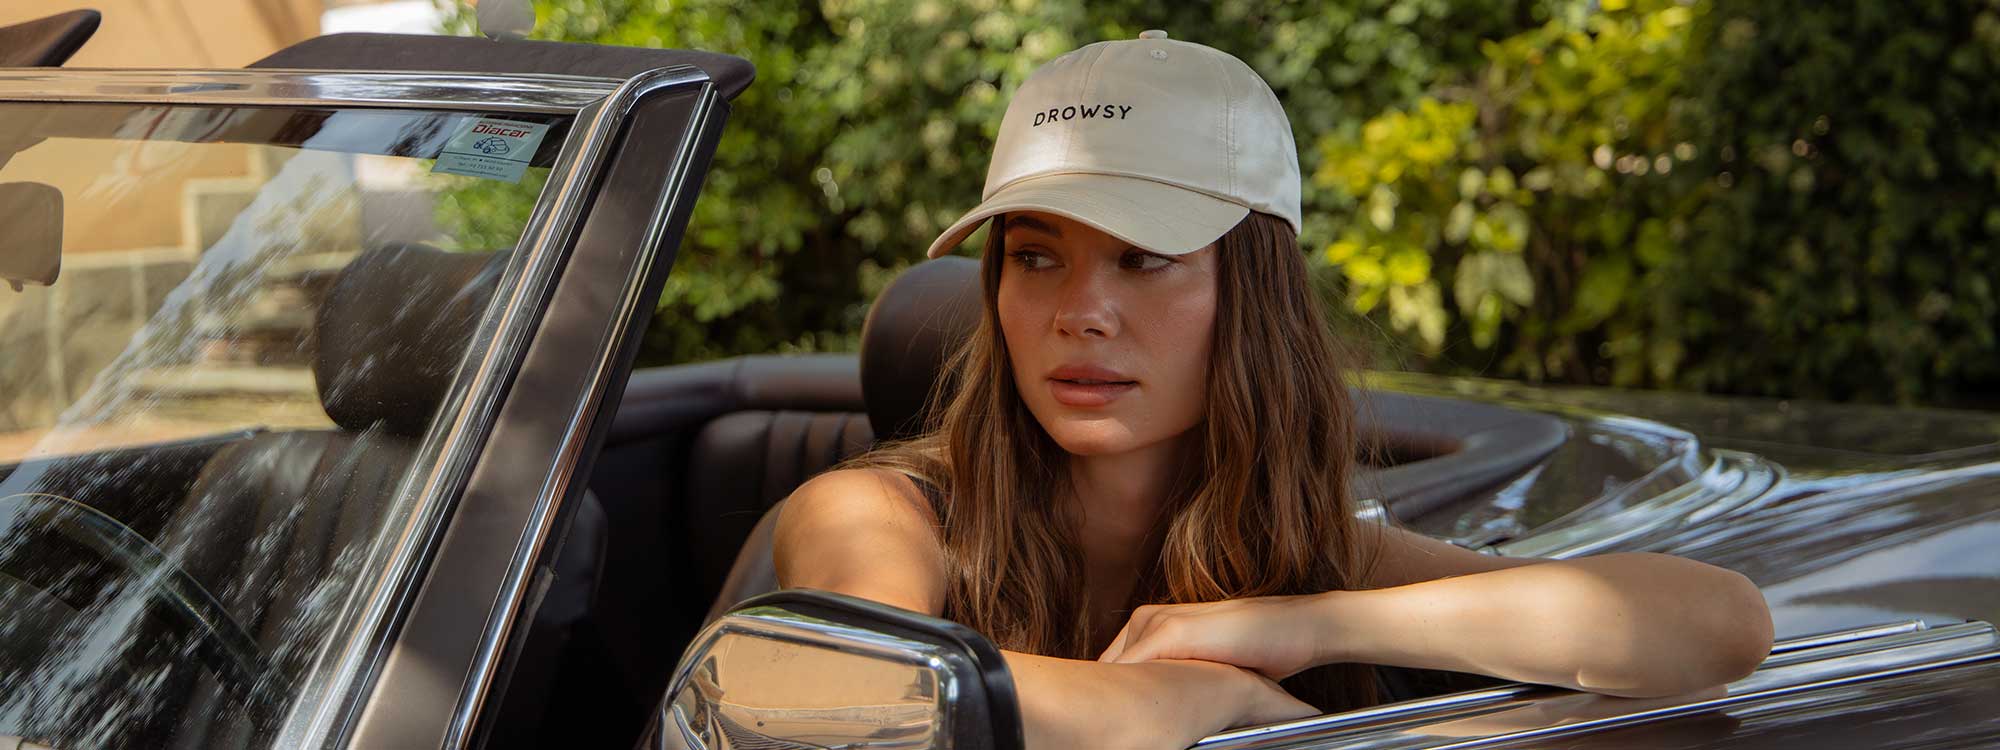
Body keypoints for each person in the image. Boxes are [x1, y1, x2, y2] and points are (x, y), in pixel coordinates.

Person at [773, 29, 1773, 749]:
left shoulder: (1303, 555)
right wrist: (1206, 699)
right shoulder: (876, 513)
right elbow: (870, 695)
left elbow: (1719, 626)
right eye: (1035, 257)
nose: (1080, 312)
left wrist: (1305, 623)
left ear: (1250, 297)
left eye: (1142, 258)